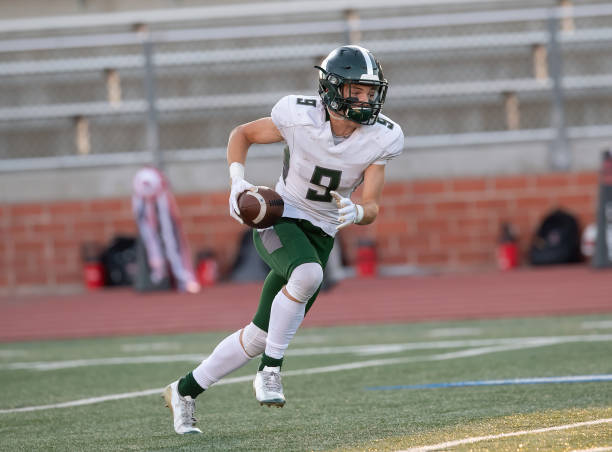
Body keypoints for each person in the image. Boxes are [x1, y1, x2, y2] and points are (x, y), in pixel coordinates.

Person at [163, 45, 404, 434]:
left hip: (322, 233)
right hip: (282, 217)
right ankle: (270, 372)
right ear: (331, 89)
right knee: (309, 276)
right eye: (355, 91)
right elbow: (242, 134)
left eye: (370, 92)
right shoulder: (298, 114)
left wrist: (359, 212)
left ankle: (183, 391)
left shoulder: (383, 137)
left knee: (260, 334)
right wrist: (237, 180)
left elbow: (372, 204)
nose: (365, 100)